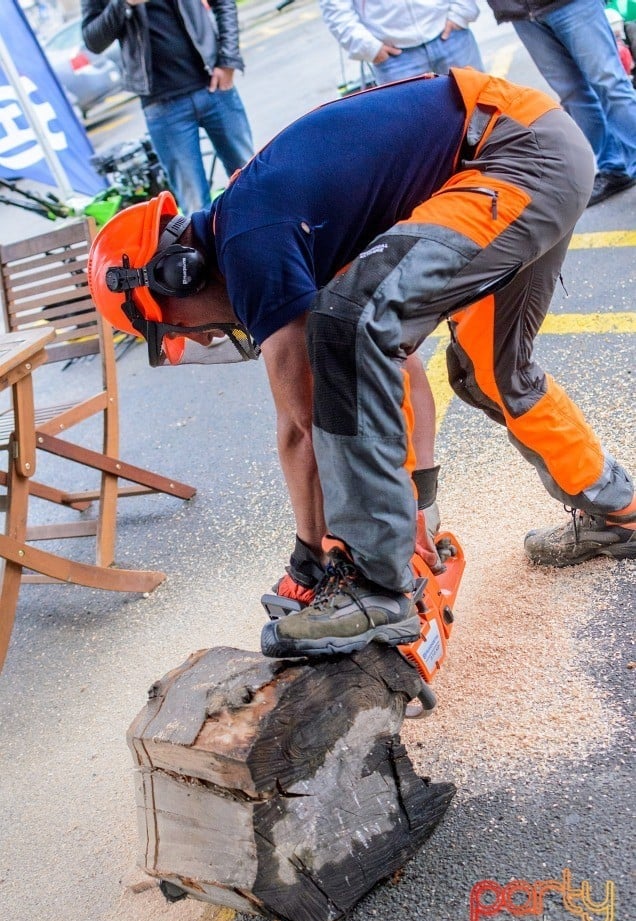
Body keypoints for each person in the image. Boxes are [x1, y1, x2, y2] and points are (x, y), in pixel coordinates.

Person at [87, 68, 636, 663]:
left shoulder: (250, 244)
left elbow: (302, 423)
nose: (202, 336)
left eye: (178, 327)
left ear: (176, 277)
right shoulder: (265, 224)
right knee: (491, 370)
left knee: (345, 325)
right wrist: (420, 512)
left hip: (511, 156)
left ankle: (374, 585)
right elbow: (398, 368)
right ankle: (619, 510)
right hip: (533, 147)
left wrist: (310, 553)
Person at [81, 0, 254, 215]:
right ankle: (211, 249)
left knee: (251, 182)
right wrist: (122, 4)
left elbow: (224, 3)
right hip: (162, 105)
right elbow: (92, 40)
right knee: (195, 209)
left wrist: (228, 58)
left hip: (214, 86)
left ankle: (274, 245)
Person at [485, 0, 636, 206]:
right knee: (573, 95)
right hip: (521, 13)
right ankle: (613, 167)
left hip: (572, 4)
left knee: (610, 84)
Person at [319, 0, 484, 83]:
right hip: (395, 58)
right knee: (416, 132)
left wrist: (461, 12)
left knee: (482, 114)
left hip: (452, 35)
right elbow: (334, 7)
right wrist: (370, 48)